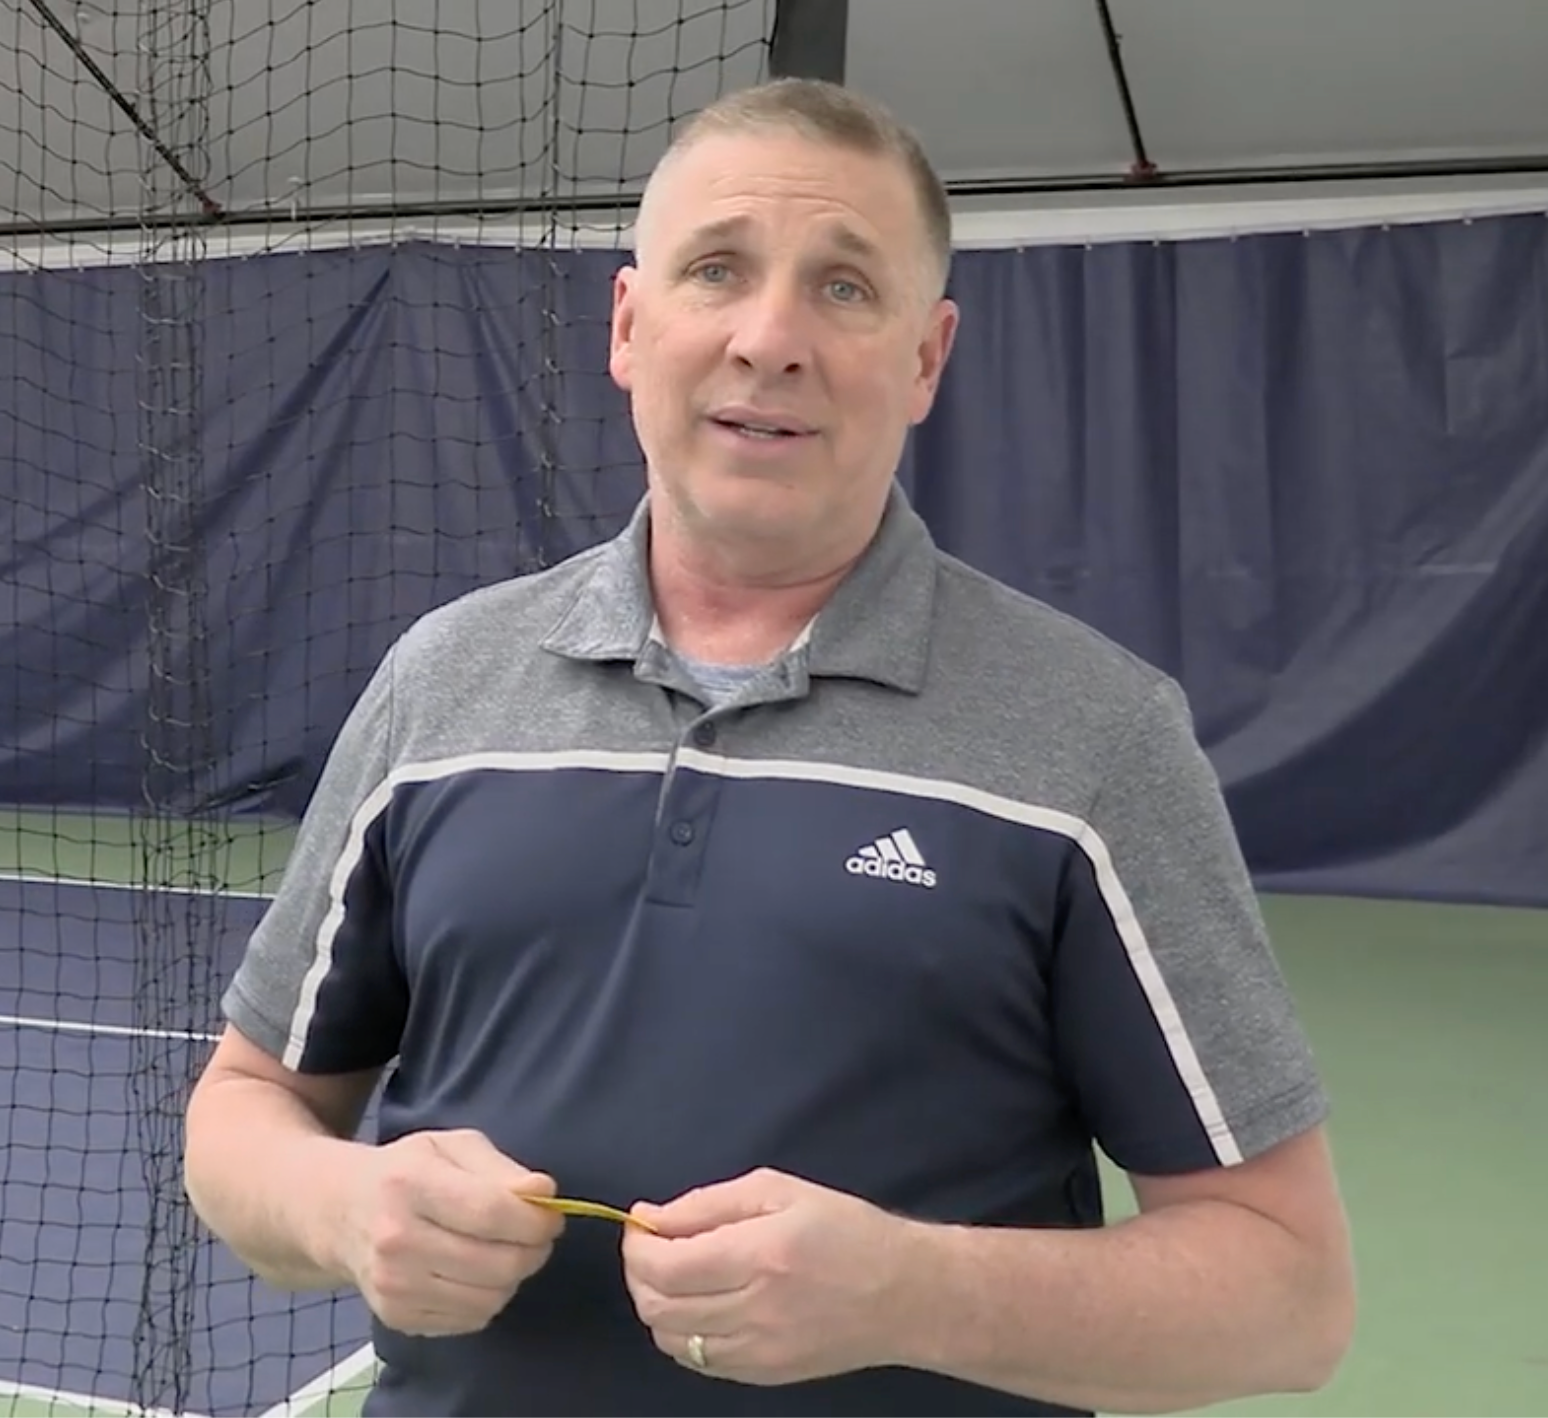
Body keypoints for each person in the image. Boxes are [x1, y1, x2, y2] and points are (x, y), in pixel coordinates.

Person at [183, 76, 1356, 1418]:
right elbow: (243, 1110)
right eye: (717, 270)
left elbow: (1288, 1299)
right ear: (630, 326)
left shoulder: (1096, 736)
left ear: (927, 358)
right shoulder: (440, 683)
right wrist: (344, 1206)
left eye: (845, 288)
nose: (769, 339)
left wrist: (912, 1291)